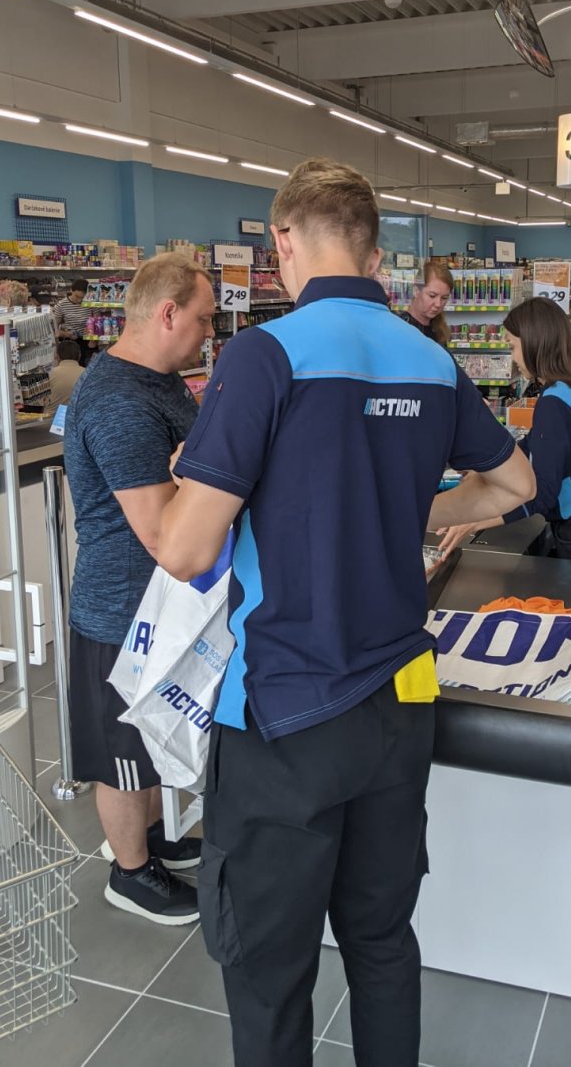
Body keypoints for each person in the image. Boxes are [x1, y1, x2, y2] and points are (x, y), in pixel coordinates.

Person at [155, 157, 534, 1067]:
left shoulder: (265, 355)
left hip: (284, 713)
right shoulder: (429, 358)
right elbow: (513, 483)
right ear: (369, 248)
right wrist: (405, 509)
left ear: (283, 239)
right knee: (382, 942)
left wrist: (184, 489)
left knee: (270, 970)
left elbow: (186, 550)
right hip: (398, 704)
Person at [63, 252, 216, 926]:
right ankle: (129, 873)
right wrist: (198, 476)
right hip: (123, 609)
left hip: (159, 604)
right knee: (122, 757)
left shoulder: (160, 381)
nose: (209, 333)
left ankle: (153, 841)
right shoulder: (120, 401)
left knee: (149, 742)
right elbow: (159, 531)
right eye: (203, 320)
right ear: (168, 313)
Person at [437, 296, 571, 565]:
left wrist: (473, 520)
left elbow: (540, 494)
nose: (513, 358)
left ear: (533, 343)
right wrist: (482, 473)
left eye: (513, 346)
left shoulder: (554, 403)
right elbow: (527, 448)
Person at [401, 259, 452, 344]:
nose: (438, 304)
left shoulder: (439, 330)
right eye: (432, 296)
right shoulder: (401, 328)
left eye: (444, 298)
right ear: (416, 290)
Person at [54, 278, 91, 361]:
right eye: (77, 296)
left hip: (88, 341)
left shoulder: (91, 303)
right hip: (70, 344)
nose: (80, 300)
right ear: (71, 290)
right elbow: (54, 328)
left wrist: (92, 331)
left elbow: (98, 320)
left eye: (83, 297)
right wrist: (66, 334)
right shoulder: (62, 305)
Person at [47, 339, 84, 414]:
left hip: (53, 419)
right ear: (79, 355)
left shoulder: (50, 375)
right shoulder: (89, 373)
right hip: (81, 418)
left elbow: (38, 403)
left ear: (57, 357)